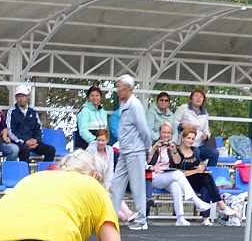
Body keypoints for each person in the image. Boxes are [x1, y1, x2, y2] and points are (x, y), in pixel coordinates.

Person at [109, 74, 152, 231]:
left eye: (119, 87)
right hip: (125, 151)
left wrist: (148, 149)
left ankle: (142, 220)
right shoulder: (124, 104)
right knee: (117, 184)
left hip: (135, 151)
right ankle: (111, 218)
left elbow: (144, 130)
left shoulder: (135, 105)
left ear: (128, 87)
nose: (117, 90)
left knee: (137, 185)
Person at [149, 122, 198, 225]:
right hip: (154, 176)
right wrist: (154, 148)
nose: (166, 135)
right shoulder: (152, 143)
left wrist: (174, 150)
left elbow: (177, 162)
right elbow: (147, 161)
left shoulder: (171, 145)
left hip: (167, 175)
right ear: (159, 132)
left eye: (168, 133)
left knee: (176, 185)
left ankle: (180, 217)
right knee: (178, 174)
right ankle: (195, 199)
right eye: (164, 132)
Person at [174, 125, 224, 223]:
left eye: (193, 139)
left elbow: (196, 166)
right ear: (182, 138)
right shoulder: (177, 151)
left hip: (194, 178)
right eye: (188, 138)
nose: (190, 141)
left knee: (206, 184)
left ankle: (205, 218)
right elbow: (178, 173)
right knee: (207, 179)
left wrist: (201, 169)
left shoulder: (195, 150)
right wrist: (196, 171)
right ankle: (220, 203)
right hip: (182, 180)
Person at [173, 88, 219, 168]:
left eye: (201, 96)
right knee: (195, 152)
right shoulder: (183, 108)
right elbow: (173, 123)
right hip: (184, 145)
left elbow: (207, 131)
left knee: (214, 153)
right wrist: (184, 125)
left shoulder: (205, 114)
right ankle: (194, 174)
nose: (198, 98)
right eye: (196, 95)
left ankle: (208, 174)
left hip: (199, 144)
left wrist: (206, 135)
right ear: (191, 98)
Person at [9, 85, 53, 164]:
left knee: (50, 150)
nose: (21, 98)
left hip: (33, 142)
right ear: (16, 97)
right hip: (20, 143)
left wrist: (36, 140)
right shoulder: (12, 111)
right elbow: (11, 131)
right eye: (19, 96)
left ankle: (45, 174)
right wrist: (25, 141)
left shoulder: (33, 111)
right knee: (24, 150)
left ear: (28, 97)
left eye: (23, 96)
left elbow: (38, 129)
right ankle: (24, 174)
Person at [74, 85, 107, 151]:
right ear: (88, 98)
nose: (94, 97)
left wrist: (103, 142)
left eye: (97, 95)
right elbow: (83, 131)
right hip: (86, 145)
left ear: (100, 98)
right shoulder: (84, 111)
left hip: (100, 145)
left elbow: (105, 130)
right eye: (92, 95)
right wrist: (96, 142)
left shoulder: (103, 112)